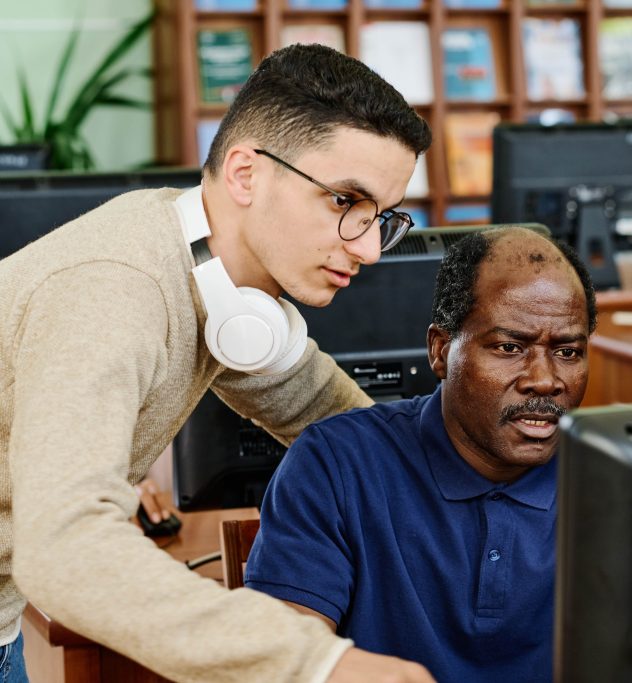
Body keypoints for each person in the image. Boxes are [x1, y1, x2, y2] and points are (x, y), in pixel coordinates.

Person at [0, 44, 438, 682]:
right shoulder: (113, 292)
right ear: (245, 174)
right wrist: (318, 665)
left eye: (382, 218)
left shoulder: (216, 284)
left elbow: (329, 415)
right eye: (346, 202)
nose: (369, 249)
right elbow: (64, 548)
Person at [244, 226, 597, 682]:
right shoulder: (335, 464)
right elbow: (285, 662)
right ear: (440, 350)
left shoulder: (619, 480)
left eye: (568, 352)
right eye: (510, 348)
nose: (545, 380)